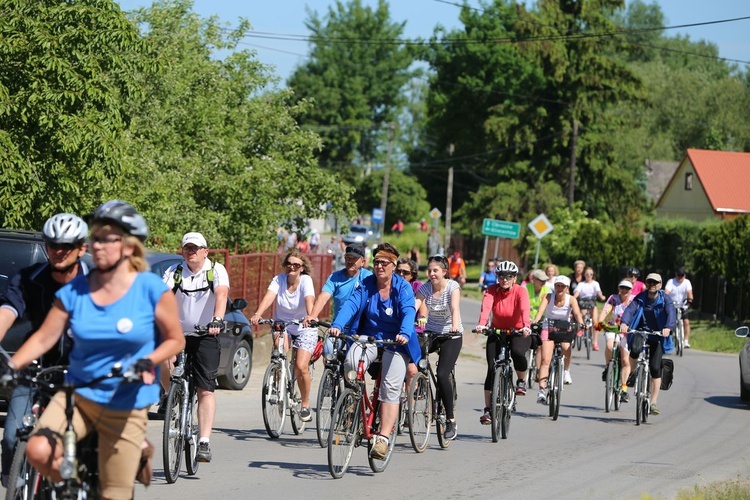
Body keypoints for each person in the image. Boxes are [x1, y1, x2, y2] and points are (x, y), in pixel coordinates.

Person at [6, 201, 184, 499]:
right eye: (96, 238)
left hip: (124, 400)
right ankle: (73, 485)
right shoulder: (75, 291)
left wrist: (147, 361)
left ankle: (133, 454)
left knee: (113, 492)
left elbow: (174, 340)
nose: (97, 245)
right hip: (78, 392)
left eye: (107, 239)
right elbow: (44, 337)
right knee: (37, 449)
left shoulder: (152, 290)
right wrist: (11, 367)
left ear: (129, 246)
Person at [0, 214, 90, 487]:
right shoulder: (30, 278)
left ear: (82, 248)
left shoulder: (98, 284)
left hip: (80, 375)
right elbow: (8, 310)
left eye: (67, 245)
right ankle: (15, 485)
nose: (59, 251)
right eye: (53, 245)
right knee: (13, 436)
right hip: (36, 368)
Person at [327, 243, 420, 459]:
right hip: (369, 337)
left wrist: (405, 332)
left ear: (394, 266)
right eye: (377, 262)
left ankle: (383, 439)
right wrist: (338, 325)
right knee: (350, 362)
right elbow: (351, 304)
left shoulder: (402, 288)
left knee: (390, 385)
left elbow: (408, 312)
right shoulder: (366, 284)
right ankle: (354, 399)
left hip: (397, 341)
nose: (379, 266)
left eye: (384, 263)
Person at [161, 232, 230, 463]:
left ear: (205, 251)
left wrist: (217, 319)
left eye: (195, 248)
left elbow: (221, 294)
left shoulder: (215, 270)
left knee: (205, 390)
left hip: (205, 334)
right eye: (187, 248)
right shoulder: (174, 271)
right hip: (178, 333)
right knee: (162, 357)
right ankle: (169, 395)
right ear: (182, 251)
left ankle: (204, 442)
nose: (191, 252)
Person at [251, 250, 317, 422]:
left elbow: (309, 299)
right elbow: (269, 297)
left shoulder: (306, 281)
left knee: (301, 366)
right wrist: (258, 313)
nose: (292, 268)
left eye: (296, 265)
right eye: (289, 264)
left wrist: (310, 316)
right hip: (283, 324)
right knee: (279, 354)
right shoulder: (278, 280)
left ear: (302, 268)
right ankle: (279, 382)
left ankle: (304, 404)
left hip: (304, 326)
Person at [475, 261, 531, 423]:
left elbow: (524, 309)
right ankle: (488, 410)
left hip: (518, 330)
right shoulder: (491, 290)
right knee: (492, 369)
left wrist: (526, 326)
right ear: (497, 277)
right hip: (497, 330)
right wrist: (481, 324)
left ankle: (521, 380)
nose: (505, 279)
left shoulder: (521, 291)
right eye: (501, 276)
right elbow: (486, 307)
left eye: (509, 276)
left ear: (514, 278)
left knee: (518, 352)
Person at [414, 255, 463, 440]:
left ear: (444, 272)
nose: (432, 274)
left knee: (443, 374)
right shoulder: (425, 288)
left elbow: (454, 307)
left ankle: (450, 419)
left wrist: (455, 325)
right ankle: (419, 384)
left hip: (452, 334)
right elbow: (415, 305)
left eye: (436, 270)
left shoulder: (452, 286)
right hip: (432, 333)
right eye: (429, 270)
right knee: (414, 355)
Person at [619, 273, 676, 416]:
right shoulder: (641, 298)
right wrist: (624, 323)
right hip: (640, 331)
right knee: (635, 350)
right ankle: (632, 374)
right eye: (650, 282)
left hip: (657, 335)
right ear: (646, 283)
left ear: (660, 285)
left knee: (656, 368)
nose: (652, 284)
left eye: (655, 282)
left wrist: (668, 327)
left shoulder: (665, 299)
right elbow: (630, 310)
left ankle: (653, 402)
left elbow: (671, 313)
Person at [305, 243, 372, 354]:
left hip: (359, 328)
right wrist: (313, 315)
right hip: (338, 326)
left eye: (354, 259)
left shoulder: (368, 277)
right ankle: (331, 371)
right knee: (328, 351)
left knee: (353, 361)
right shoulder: (335, 277)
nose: (350, 261)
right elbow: (323, 297)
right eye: (347, 258)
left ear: (363, 262)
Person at [533, 275, 585, 403]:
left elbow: (577, 313)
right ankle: (542, 391)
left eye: (563, 286)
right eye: (558, 286)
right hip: (549, 327)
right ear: (554, 287)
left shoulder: (571, 299)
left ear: (567, 288)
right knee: (545, 359)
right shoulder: (549, 297)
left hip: (564, 327)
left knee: (566, 347)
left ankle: (566, 370)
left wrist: (581, 323)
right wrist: (535, 321)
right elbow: (540, 311)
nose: (560, 288)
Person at [597, 280, 634, 402]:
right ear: (619, 288)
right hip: (612, 327)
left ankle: (623, 388)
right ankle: (609, 367)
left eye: (627, 289)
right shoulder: (613, 298)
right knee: (609, 346)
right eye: (622, 288)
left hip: (627, 331)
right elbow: (606, 310)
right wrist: (600, 322)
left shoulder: (634, 300)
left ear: (631, 290)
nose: (624, 291)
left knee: (625, 360)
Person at [572, 267, 607, 351]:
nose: (589, 276)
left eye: (591, 274)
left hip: (592, 302)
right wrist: (572, 299)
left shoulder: (595, 283)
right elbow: (577, 292)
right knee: (583, 315)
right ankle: (581, 328)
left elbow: (598, 291)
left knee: (596, 322)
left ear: (593, 275)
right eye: (587, 274)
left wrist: (601, 297)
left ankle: (595, 342)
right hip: (583, 302)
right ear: (584, 275)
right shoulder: (581, 284)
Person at [665, 268, 694, 348]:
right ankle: (669, 340)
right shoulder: (671, 282)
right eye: (679, 275)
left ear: (685, 276)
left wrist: (690, 300)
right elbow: (666, 292)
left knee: (686, 322)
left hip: (683, 305)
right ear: (676, 275)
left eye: (682, 275)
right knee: (670, 322)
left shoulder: (687, 282)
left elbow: (689, 293)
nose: (680, 277)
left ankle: (686, 341)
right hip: (672, 305)